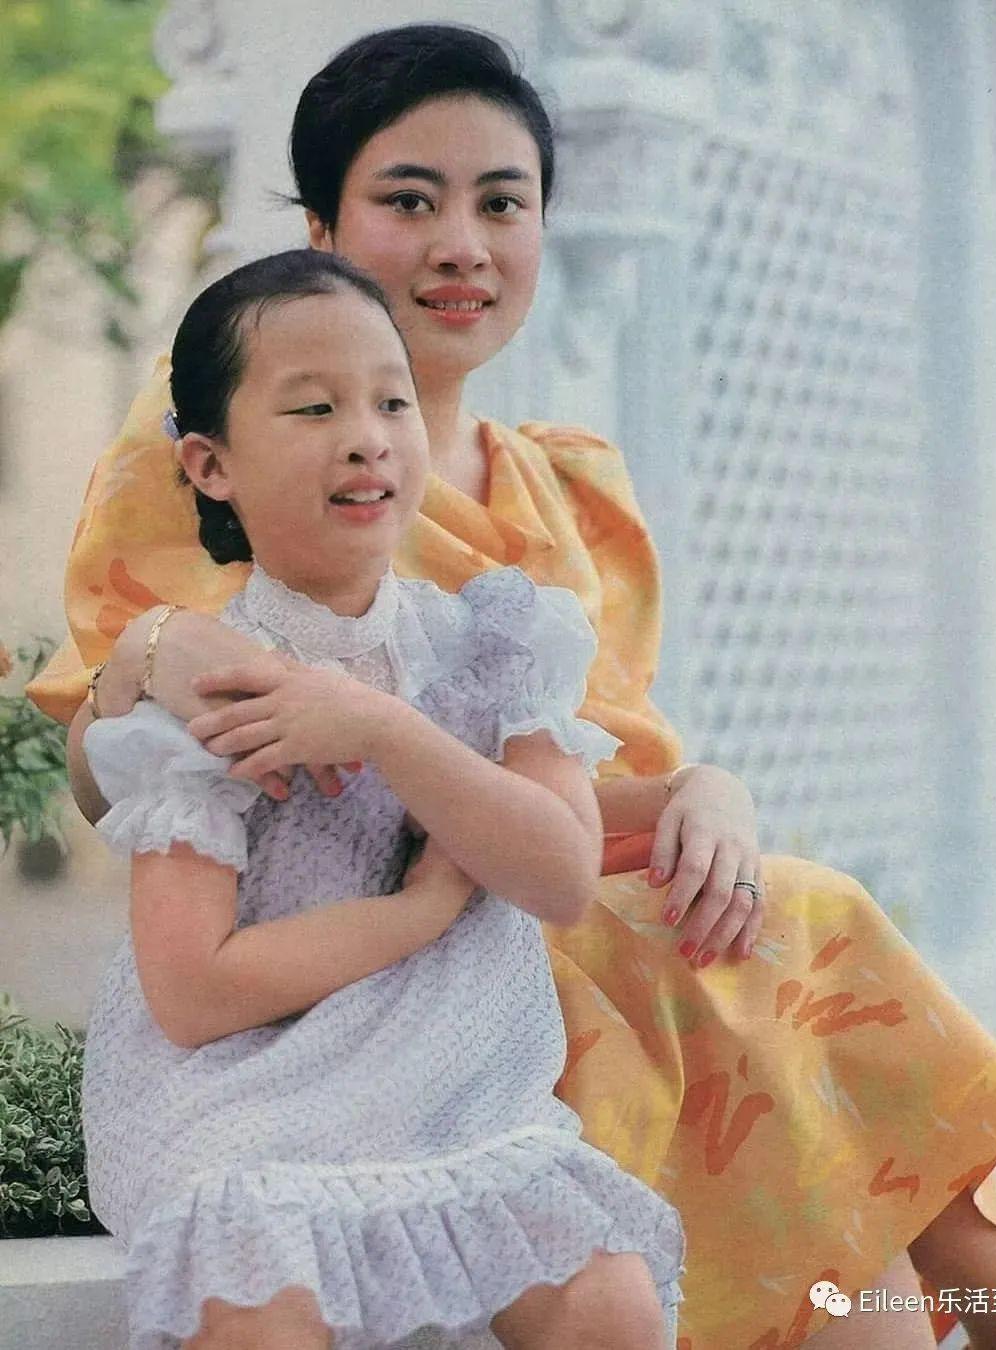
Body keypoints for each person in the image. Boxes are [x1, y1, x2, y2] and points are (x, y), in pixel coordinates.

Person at [31, 23, 996, 1350]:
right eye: (411, 200)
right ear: (322, 227)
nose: (462, 244)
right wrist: (150, 652)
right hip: (395, 956)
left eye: (502, 203)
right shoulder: (216, 438)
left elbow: (572, 782)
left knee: (798, 915)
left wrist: (703, 788)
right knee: (770, 962)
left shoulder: (565, 480)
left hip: (542, 874)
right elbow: (115, 776)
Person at [80, 247, 686, 1350]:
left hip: (464, 1089)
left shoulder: (497, 641)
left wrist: (384, 729)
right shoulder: (210, 688)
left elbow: (559, 875)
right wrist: (419, 912)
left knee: (608, 1304)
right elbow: (193, 994)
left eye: (391, 401)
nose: (366, 437)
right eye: (314, 408)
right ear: (211, 465)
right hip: (243, 1099)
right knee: (259, 1306)